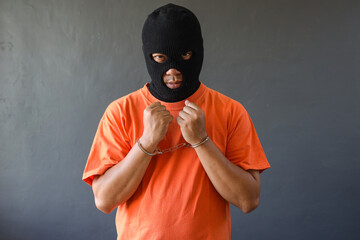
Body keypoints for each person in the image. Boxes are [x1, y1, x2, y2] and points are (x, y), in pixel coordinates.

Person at [82, 3, 270, 240]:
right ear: (149, 56)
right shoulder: (120, 112)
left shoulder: (230, 111)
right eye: (160, 57)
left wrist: (202, 141)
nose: (173, 70)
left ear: (197, 52)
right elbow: (104, 200)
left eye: (185, 55)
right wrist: (146, 143)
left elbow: (248, 200)